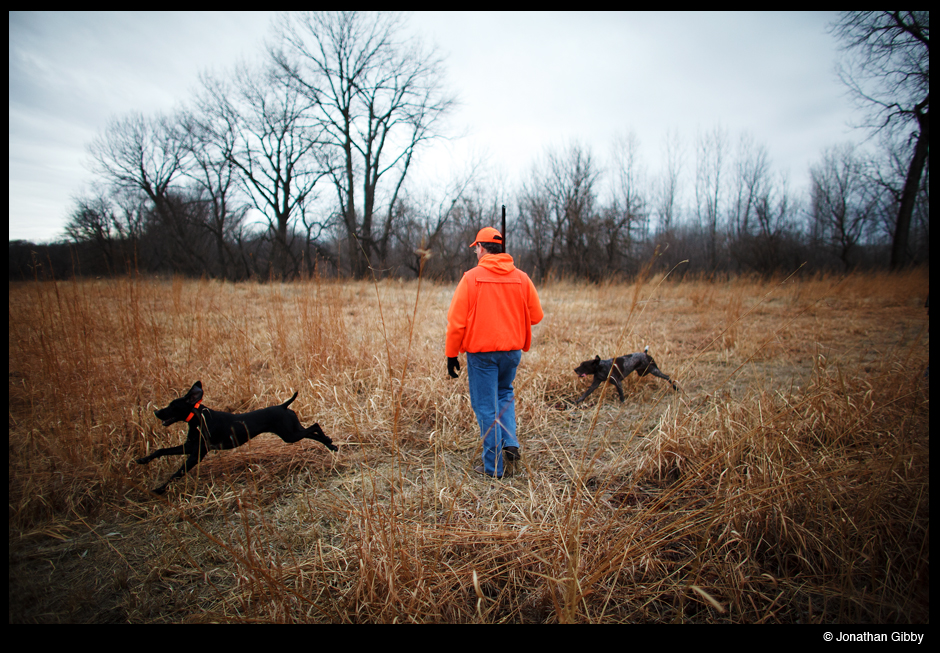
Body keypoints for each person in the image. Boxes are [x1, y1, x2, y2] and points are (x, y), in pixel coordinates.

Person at [445, 227, 543, 478]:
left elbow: (456, 322)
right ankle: (510, 442)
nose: (475, 252)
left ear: (481, 248)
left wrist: (451, 355)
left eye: (476, 248)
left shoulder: (471, 277)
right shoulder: (522, 277)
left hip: (482, 355)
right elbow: (536, 316)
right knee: (504, 394)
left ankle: (494, 467)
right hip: (512, 352)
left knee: (486, 407)